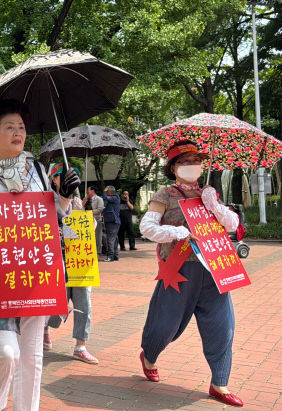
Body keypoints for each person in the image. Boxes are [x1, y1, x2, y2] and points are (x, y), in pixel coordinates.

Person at [0, 99, 79, 411]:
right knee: (7, 353)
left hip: (36, 276)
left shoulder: (37, 171)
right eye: (9, 127)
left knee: (33, 355)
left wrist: (63, 197)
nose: (17, 132)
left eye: (21, 127)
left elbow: (55, 220)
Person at [138, 140, 242, 407]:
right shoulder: (166, 194)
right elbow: (147, 227)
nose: (190, 165)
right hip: (178, 270)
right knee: (165, 324)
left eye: (195, 160)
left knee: (223, 326)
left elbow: (232, 225)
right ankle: (149, 355)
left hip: (214, 268)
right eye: (183, 161)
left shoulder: (208, 192)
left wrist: (215, 205)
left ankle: (220, 382)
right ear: (173, 167)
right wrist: (180, 232)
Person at [44, 163, 99, 365]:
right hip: (55, 260)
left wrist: (87, 214)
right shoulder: (46, 201)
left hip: (80, 260)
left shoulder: (78, 201)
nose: (66, 178)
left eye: (71, 175)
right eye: (60, 175)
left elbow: (88, 230)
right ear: (53, 179)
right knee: (56, 302)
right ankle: (45, 329)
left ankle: (80, 346)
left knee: (84, 301)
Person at [83, 186, 104, 256]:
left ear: (92, 191)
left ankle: (98, 252)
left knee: (97, 237)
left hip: (97, 220)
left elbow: (100, 209)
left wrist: (90, 212)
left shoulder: (99, 199)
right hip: (88, 221)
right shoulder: (87, 199)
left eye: (88, 190)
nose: (87, 192)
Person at [101, 185, 121, 262]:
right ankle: (115, 255)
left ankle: (110, 256)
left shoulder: (115, 197)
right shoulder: (114, 199)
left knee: (110, 239)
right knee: (114, 239)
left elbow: (105, 198)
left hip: (113, 221)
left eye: (107, 191)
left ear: (110, 192)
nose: (106, 192)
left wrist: (104, 191)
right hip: (113, 221)